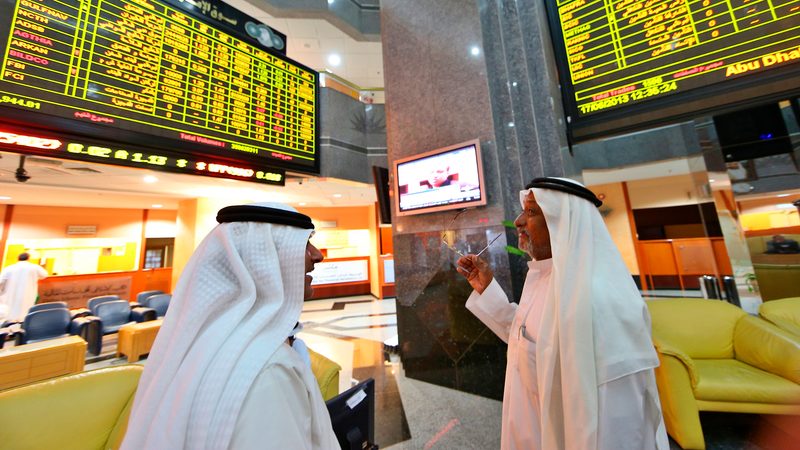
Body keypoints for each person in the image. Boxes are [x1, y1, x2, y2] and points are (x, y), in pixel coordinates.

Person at [456, 177, 668, 450]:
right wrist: (486, 288)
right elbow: (530, 341)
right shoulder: (547, 276)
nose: (519, 221)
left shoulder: (601, 299)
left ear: (563, 224)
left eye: (531, 212)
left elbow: (621, 424)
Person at [121, 203, 339, 450]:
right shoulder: (268, 372)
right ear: (264, 258)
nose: (317, 255)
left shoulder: (211, 344)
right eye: (304, 243)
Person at [0, 252, 48, 323]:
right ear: (28, 258)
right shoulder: (34, 267)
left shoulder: (9, 268)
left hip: (10, 295)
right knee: (24, 313)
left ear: (18, 259)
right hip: (27, 295)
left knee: (9, 315)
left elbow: (1, 281)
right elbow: (44, 275)